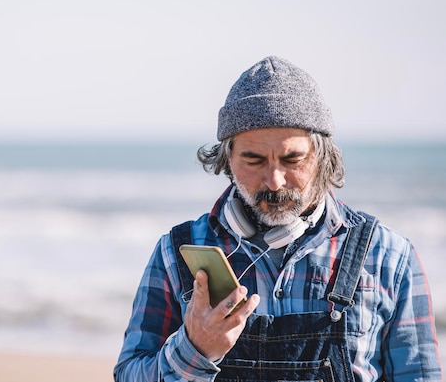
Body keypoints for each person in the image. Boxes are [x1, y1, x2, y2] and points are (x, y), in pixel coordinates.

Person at [113, 56, 442, 382]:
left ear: (322, 156)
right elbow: (129, 375)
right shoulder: (177, 252)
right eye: (253, 161)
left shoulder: (388, 256)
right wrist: (195, 349)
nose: (275, 180)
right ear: (227, 159)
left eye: (292, 159)